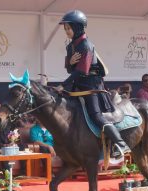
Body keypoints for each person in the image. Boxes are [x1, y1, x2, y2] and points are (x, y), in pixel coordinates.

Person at [54, 10, 130, 158]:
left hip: (92, 86)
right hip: (78, 84)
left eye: (69, 28)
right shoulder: (70, 47)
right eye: (65, 29)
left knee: (95, 116)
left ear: (78, 28)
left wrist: (63, 85)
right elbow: (71, 70)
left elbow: (82, 70)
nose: (67, 32)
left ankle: (121, 144)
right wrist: (70, 62)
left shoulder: (86, 45)